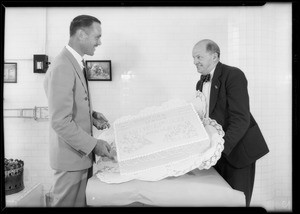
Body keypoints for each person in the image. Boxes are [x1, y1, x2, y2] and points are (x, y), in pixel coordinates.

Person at [44, 15, 114, 207]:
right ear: (81, 34)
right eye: (97, 37)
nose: (99, 42)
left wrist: (91, 116)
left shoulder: (74, 63)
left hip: (79, 158)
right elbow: (60, 121)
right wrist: (94, 145)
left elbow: (71, 106)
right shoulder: (62, 66)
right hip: (71, 160)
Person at [192, 39, 269, 207]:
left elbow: (241, 119)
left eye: (199, 57)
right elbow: (205, 116)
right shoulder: (200, 82)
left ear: (214, 56)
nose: (195, 62)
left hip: (237, 151)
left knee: (238, 202)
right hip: (217, 154)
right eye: (193, 58)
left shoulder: (233, 75)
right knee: (221, 201)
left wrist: (220, 150)